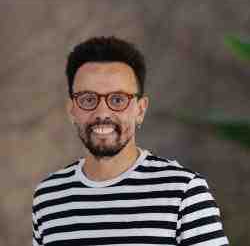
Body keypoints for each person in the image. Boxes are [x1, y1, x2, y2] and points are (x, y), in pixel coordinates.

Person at [32, 36, 229, 246]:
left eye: (118, 99)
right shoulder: (48, 197)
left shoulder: (184, 191)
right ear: (72, 110)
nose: (102, 113)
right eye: (88, 99)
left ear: (140, 110)